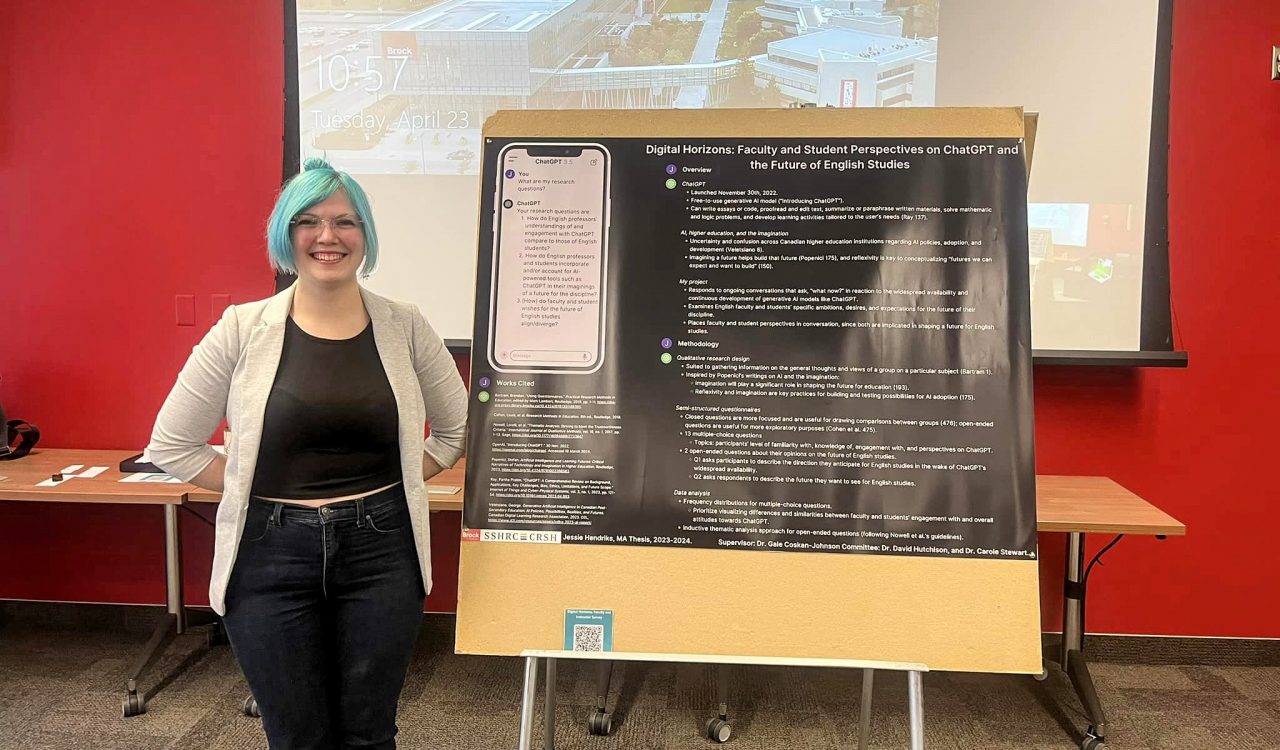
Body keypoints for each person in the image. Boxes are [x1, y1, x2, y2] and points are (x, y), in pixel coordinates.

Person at [148, 157, 467, 749]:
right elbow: (172, 444)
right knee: (297, 736)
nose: (328, 237)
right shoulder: (241, 329)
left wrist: (405, 479)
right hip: (268, 556)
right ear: (285, 233)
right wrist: (243, 485)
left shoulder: (406, 325)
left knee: (369, 733)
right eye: (309, 221)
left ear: (365, 235)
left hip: (382, 550)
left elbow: (456, 432)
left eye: (346, 222)